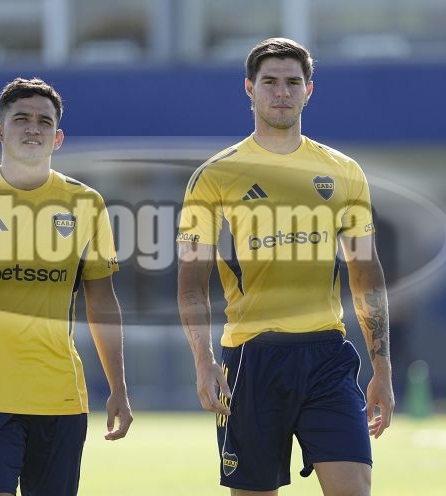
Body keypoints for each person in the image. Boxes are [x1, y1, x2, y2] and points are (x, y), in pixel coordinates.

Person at [176, 38, 394, 495]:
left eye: (293, 82)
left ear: (308, 90)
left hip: (327, 357)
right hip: (251, 358)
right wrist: (203, 361)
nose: (281, 92)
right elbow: (191, 284)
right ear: (249, 88)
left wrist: (383, 367)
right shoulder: (214, 175)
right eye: (270, 82)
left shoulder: (343, 170)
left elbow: (365, 271)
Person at [0, 77, 132, 496]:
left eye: (44, 121)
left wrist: (119, 388)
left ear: (58, 137)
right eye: (21, 119)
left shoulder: (86, 204)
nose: (33, 128)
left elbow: (103, 304)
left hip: (62, 400)